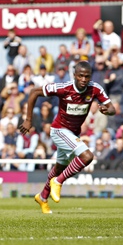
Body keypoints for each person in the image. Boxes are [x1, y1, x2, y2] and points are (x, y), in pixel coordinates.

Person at [19, 61, 115, 214]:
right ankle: (58, 182)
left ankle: (42, 197)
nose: (84, 79)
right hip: (58, 130)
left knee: (59, 167)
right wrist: (29, 120)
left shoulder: (95, 88)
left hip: (73, 133)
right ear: (75, 76)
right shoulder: (63, 88)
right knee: (87, 156)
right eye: (81, 76)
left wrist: (107, 110)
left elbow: (112, 108)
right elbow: (34, 92)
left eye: (87, 76)